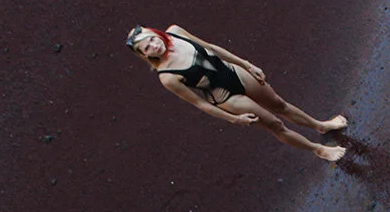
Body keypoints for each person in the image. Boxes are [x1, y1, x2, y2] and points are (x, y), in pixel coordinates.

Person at [125, 25, 348, 161]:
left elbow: (212, 48)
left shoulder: (175, 32)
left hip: (234, 72)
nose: (154, 45)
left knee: (280, 104)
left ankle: (320, 125)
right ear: (145, 55)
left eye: (152, 38)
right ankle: (318, 149)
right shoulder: (167, 77)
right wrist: (233, 119)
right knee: (275, 125)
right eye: (147, 48)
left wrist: (247, 65)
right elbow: (200, 104)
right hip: (226, 97)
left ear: (155, 32)